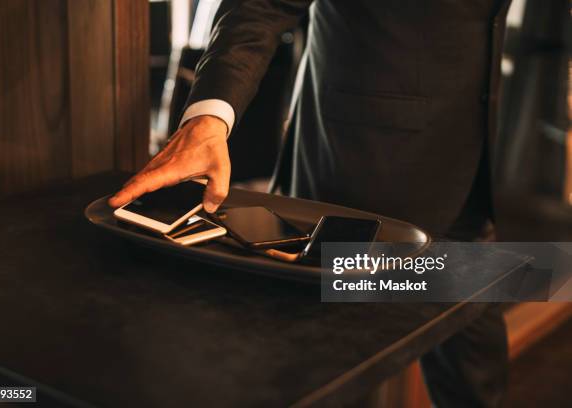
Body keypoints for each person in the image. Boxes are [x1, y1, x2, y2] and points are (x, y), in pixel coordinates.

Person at [110, 1, 512, 406]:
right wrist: (208, 119)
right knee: (337, 382)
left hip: (471, 175)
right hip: (358, 177)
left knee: (478, 377)